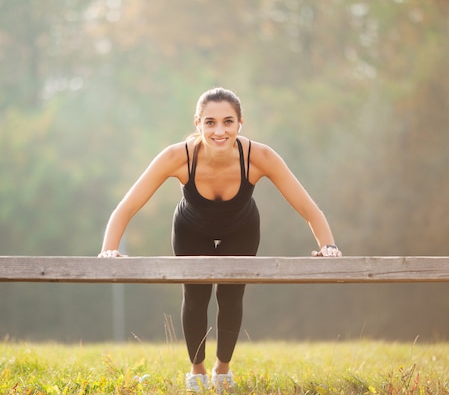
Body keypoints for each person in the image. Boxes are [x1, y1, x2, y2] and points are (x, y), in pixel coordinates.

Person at [98, 87, 341, 393]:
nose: (219, 130)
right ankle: (197, 370)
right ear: (197, 123)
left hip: (241, 227)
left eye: (228, 121)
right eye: (210, 122)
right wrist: (109, 249)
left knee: (230, 296)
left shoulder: (259, 156)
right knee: (196, 297)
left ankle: (222, 370)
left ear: (240, 124)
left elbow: (307, 206)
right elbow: (128, 206)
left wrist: (327, 245)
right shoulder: (178, 156)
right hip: (190, 228)